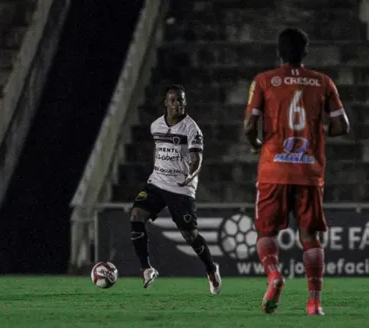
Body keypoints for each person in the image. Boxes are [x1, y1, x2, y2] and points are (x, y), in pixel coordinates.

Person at [243, 28, 350, 315]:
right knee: (310, 236)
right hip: (309, 171)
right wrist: (319, 129)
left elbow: (249, 127)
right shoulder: (322, 81)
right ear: (305, 52)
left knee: (266, 232)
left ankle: (275, 275)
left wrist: (256, 145)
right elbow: (342, 126)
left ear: (278, 52)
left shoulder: (264, 81)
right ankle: (314, 302)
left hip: (273, 169)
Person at [129, 84, 222, 295]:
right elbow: (158, 149)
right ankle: (146, 268)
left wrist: (191, 174)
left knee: (190, 235)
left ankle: (210, 268)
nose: (177, 104)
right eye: (173, 100)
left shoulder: (191, 129)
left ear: (185, 103)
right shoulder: (156, 126)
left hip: (181, 188)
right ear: (165, 103)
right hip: (157, 183)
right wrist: (156, 170)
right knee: (136, 214)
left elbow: (197, 158)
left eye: (180, 100)